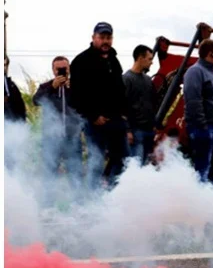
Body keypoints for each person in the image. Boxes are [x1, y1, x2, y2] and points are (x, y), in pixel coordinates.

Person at [69, 22, 129, 189]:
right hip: (95, 122)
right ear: (93, 38)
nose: (105, 41)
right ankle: (91, 200)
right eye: (101, 37)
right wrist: (93, 116)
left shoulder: (114, 61)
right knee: (97, 160)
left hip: (116, 121)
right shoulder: (82, 61)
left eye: (108, 37)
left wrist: (123, 114)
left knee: (123, 159)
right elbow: (76, 95)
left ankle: (115, 195)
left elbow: (121, 90)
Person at [33, 56, 84, 189]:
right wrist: (52, 87)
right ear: (53, 70)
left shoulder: (77, 86)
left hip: (72, 137)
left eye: (65, 69)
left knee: (75, 173)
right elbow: (36, 101)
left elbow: (85, 106)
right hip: (51, 138)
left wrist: (72, 89)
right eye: (58, 69)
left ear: (69, 69)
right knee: (49, 173)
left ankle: (78, 205)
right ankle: (47, 205)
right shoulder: (45, 86)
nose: (62, 72)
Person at [183, 39, 213, 184]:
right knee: (203, 167)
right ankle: (199, 200)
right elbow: (193, 101)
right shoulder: (195, 72)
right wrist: (202, 126)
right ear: (210, 54)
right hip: (205, 128)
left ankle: (209, 200)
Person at [123, 44, 157, 164]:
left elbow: (153, 104)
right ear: (140, 58)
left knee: (145, 167)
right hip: (136, 131)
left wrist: (154, 125)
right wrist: (128, 131)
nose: (151, 62)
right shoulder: (126, 79)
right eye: (149, 59)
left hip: (148, 131)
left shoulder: (148, 80)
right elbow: (122, 107)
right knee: (136, 167)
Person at [4, 54, 27, 123]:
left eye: (5, 65)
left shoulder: (12, 86)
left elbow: (20, 109)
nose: (3, 68)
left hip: (10, 128)